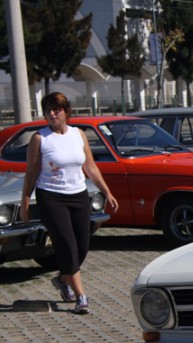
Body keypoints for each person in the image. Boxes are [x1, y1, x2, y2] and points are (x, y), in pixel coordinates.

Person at [21, 92, 119, 314]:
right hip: (51, 197)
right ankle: (80, 296)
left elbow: (91, 167)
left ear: (66, 112)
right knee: (67, 244)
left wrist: (107, 192)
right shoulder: (40, 138)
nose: (52, 114)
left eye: (57, 110)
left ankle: (63, 279)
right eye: (48, 110)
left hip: (78, 195)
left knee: (82, 246)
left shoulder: (78, 134)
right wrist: (26, 200)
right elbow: (31, 173)